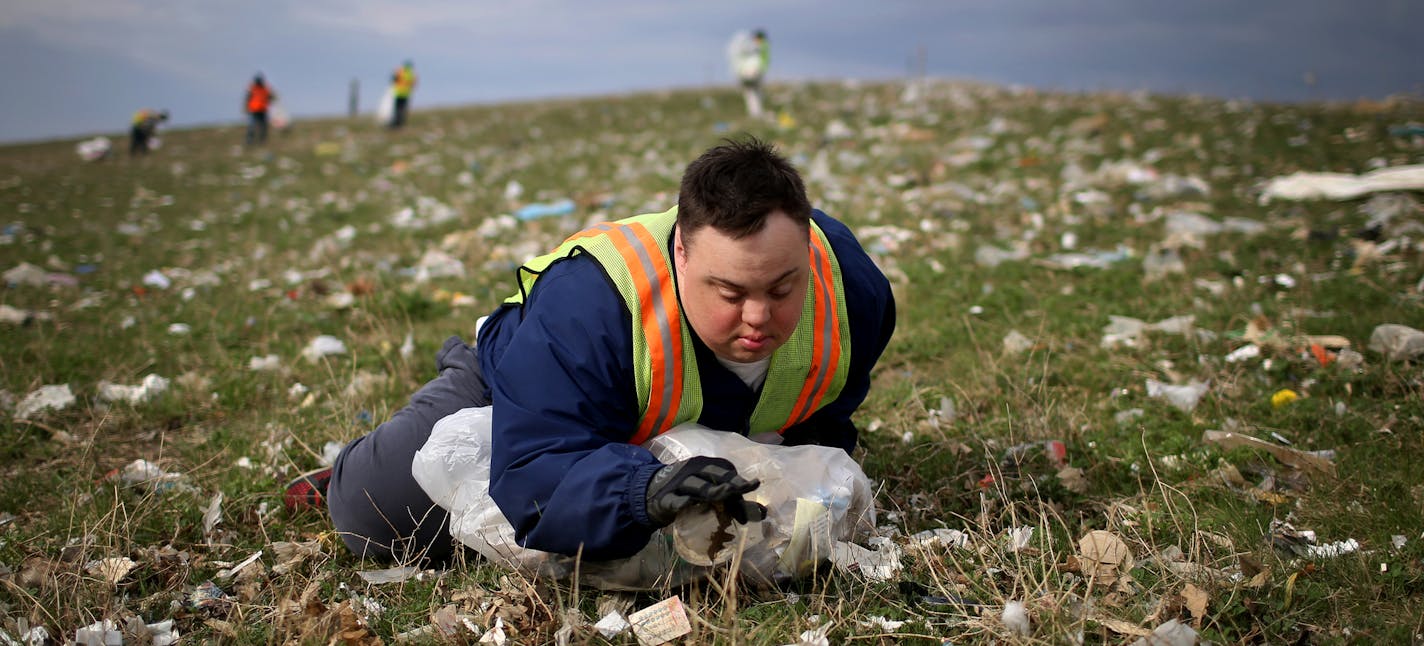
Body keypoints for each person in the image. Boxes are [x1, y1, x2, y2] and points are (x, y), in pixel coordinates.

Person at [289, 138, 896, 564]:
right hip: (529, 392)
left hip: (674, 422)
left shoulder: (854, 292)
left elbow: (826, 410)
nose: (760, 317)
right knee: (375, 517)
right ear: (680, 254)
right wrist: (641, 493)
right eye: (731, 292)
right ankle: (395, 427)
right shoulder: (586, 307)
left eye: (782, 288)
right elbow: (536, 469)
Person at [733, 29, 770, 119]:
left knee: (751, 92)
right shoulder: (764, 46)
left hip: (754, 72)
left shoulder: (760, 46)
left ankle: (755, 113)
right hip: (758, 71)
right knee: (756, 92)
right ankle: (757, 112)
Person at [245, 74, 275, 145]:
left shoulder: (264, 89)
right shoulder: (253, 88)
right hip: (255, 110)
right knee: (253, 126)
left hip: (262, 110)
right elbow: (248, 98)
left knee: (262, 126)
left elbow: (270, 97)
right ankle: (250, 140)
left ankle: (260, 141)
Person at [389, 60, 417, 128]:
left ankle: (396, 123)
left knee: (397, 109)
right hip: (406, 93)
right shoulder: (411, 74)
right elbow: (414, 84)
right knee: (403, 109)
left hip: (398, 93)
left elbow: (393, 79)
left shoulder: (399, 72)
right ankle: (401, 122)